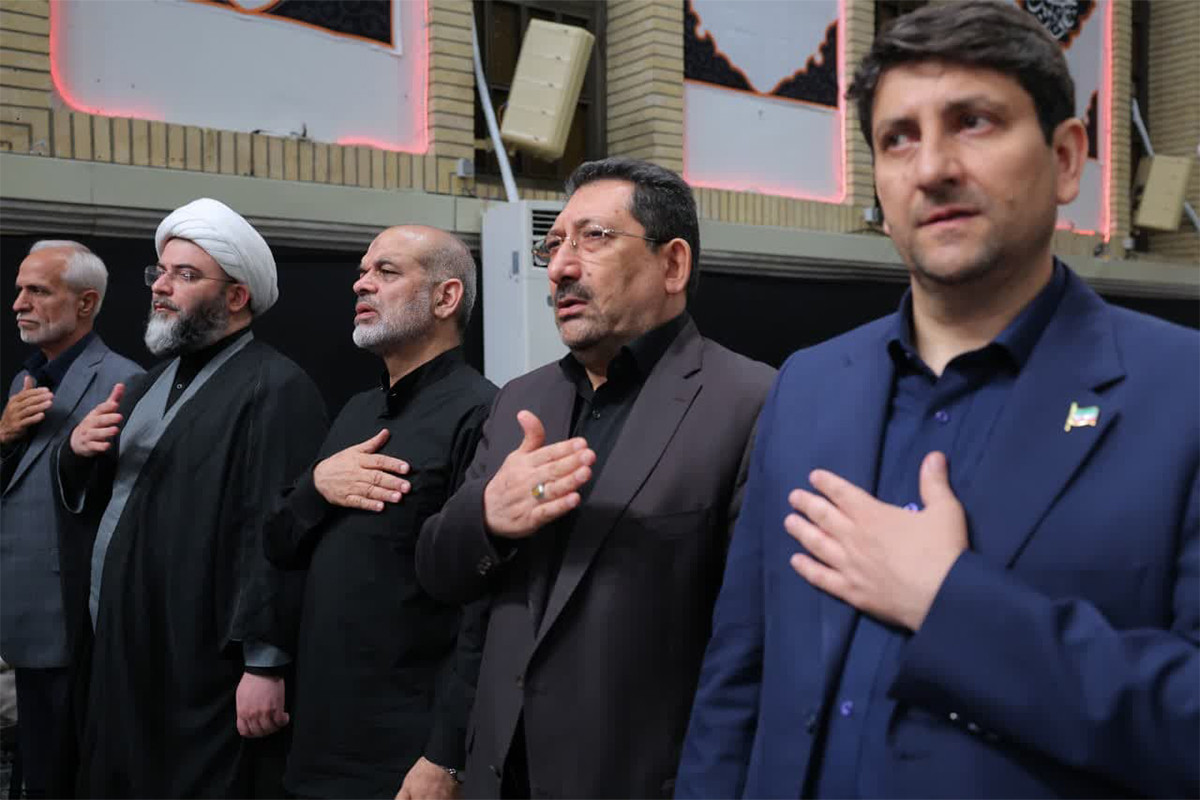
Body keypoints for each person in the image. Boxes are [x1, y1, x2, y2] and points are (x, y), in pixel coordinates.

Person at [675, 3, 1199, 798]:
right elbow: (738, 680)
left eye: (974, 122)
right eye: (898, 138)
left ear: (1066, 159)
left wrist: (952, 605)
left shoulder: (1178, 395)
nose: (932, 169)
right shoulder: (807, 387)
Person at [417, 157, 775, 798]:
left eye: (594, 238)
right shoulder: (520, 400)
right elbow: (443, 576)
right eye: (553, 244)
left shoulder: (751, 403)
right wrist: (488, 517)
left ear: (673, 265)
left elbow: (759, 645)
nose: (560, 267)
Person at [56, 198, 329, 797]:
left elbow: (277, 534)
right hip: (125, 650)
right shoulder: (146, 386)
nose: (161, 287)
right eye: (160, 272)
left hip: (202, 665)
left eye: (185, 275)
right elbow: (111, 506)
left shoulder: (276, 387)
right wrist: (76, 454)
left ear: (236, 297)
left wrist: (264, 662)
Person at [263, 225, 496, 799]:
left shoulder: (481, 413)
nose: (361, 284)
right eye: (363, 272)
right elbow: (278, 542)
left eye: (386, 272)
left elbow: (484, 608)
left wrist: (446, 755)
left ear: (446, 298)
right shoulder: (356, 411)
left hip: (405, 751)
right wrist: (317, 486)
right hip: (318, 736)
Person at [1, 241, 142, 798]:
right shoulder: (26, 381)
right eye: (20, 289)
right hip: (21, 619)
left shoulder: (124, 381)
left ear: (86, 303)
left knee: (64, 774)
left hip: (72, 622)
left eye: (38, 291)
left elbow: (121, 508)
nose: (19, 303)